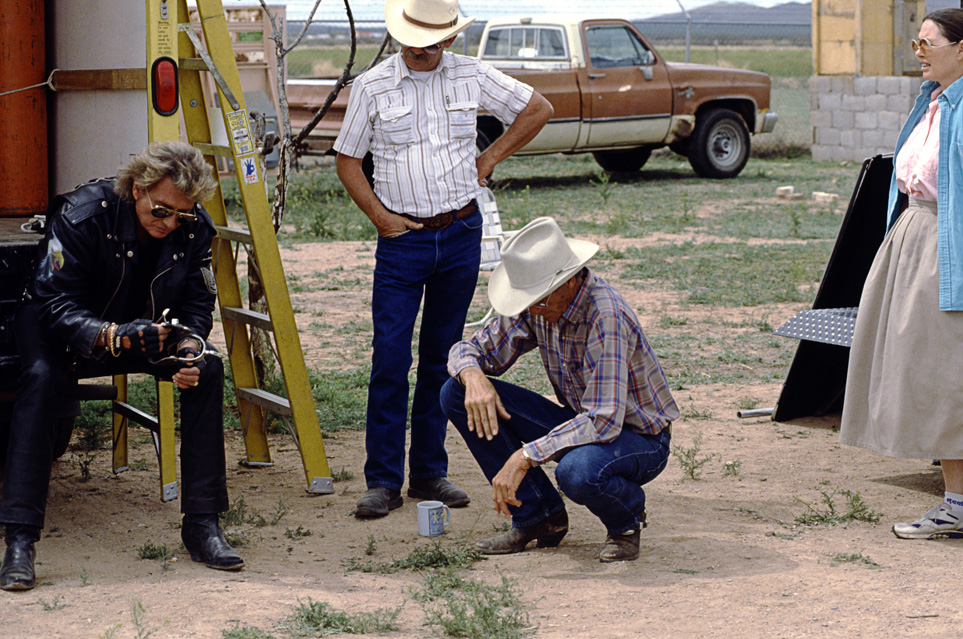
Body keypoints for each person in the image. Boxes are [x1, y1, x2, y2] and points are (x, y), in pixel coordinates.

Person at [334, 0, 553, 519]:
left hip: (460, 233)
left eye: (431, 41)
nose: (420, 49)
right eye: (412, 39)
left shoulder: (472, 74)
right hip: (402, 240)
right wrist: (380, 218)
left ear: (449, 39)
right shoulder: (373, 86)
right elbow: (347, 161)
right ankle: (383, 480)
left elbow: (538, 108)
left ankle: (430, 472)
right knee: (390, 357)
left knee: (444, 356)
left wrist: (490, 157)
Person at [0, 141, 243, 592]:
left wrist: (189, 345)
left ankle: (203, 526)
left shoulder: (194, 228)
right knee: (40, 379)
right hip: (58, 326)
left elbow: (196, 303)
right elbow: (51, 300)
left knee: (207, 369)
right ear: (136, 188)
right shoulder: (81, 214)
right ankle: (19, 541)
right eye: (161, 211)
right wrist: (110, 334)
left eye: (181, 215)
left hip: (138, 328)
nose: (170, 224)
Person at [441, 217, 680, 562]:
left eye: (537, 300)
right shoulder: (541, 304)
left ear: (567, 283)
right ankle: (540, 518)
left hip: (639, 438)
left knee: (578, 471)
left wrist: (525, 456)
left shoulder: (605, 316)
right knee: (456, 392)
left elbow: (603, 420)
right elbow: (473, 349)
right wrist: (472, 374)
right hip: (586, 418)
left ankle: (625, 522)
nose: (531, 309)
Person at [840, 8, 963, 540]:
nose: (918, 51)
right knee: (928, 370)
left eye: (927, 43)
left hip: (945, 244)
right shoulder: (932, 102)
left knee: (946, 374)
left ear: (961, 48)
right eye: (916, 43)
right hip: (914, 238)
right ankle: (957, 501)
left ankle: (956, 505)